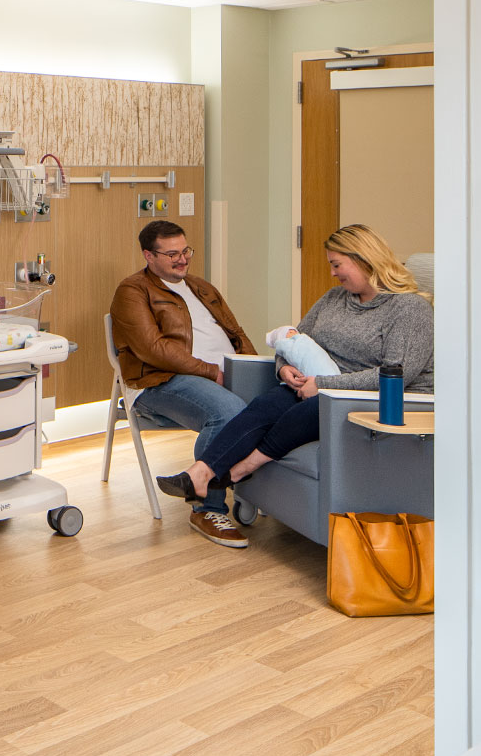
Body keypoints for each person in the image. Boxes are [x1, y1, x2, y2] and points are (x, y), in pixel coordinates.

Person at [157, 224, 433, 516]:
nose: (333, 273)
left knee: (301, 412)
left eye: (337, 264)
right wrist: (284, 368)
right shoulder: (335, 298)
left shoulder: (408, 309)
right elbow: (296, 338)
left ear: (365, 259)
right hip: (318, 385)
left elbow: (394, 376)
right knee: (266, 404)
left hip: (374, 399)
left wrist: (324, 385)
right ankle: (199, 474)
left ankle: (239, 471)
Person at [111, 220, 257, 548]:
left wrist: (254, 369)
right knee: (229, 411)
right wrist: (211, 372)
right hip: (161, 381)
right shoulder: (132, 291)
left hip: (222, 374)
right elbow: (153, 349)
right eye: (172, 254)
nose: (183, 260)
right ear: (148, 255)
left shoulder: (201, 287)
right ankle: (208, 508)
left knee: (281, 404)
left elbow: (237, 334)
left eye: (186, 251)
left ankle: (251, 490)